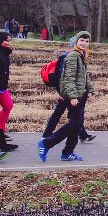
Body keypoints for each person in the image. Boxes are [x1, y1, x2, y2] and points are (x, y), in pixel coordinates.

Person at [38, 31, 93, 162]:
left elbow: (83, 75)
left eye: (86, 41)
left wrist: (90, 89)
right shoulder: (73, 56)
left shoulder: (82, 55)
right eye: (82, 41)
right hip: (74, 96)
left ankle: (67, 153)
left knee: (76, 124)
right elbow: (68, 78)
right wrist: (73, 96)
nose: (84, 43)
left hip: (80, 93)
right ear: (76, 42)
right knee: (75, 123)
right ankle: (47, 143)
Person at [0, 32, 17, 151]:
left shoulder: (4, 53)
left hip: (2, 87)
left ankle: (1, 130)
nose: (9, 43)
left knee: (8, 105)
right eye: (7, 40)